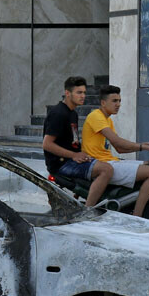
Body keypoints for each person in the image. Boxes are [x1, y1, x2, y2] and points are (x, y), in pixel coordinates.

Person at [82, 85, 149, 217]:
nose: (118, 104)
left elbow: (120, 149)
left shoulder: (108, 120)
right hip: (101, 164)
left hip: (111, 161)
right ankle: (137, 216)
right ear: (103, 103)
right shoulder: (96, 116)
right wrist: (145, 147)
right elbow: (117, 141)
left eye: (119, 101)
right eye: (114, 101)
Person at [42, 76, 114, 207]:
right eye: (79, 92)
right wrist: (74, 155)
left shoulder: (72, 113)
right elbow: (47, 144)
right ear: (67, 93)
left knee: (107, 164)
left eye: (84, 92)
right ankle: (88, 210)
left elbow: (73, 142)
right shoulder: (58, 113)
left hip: (71, 160)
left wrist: (82, 154)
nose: (83, 96)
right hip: (61, 164)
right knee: (107, 170)